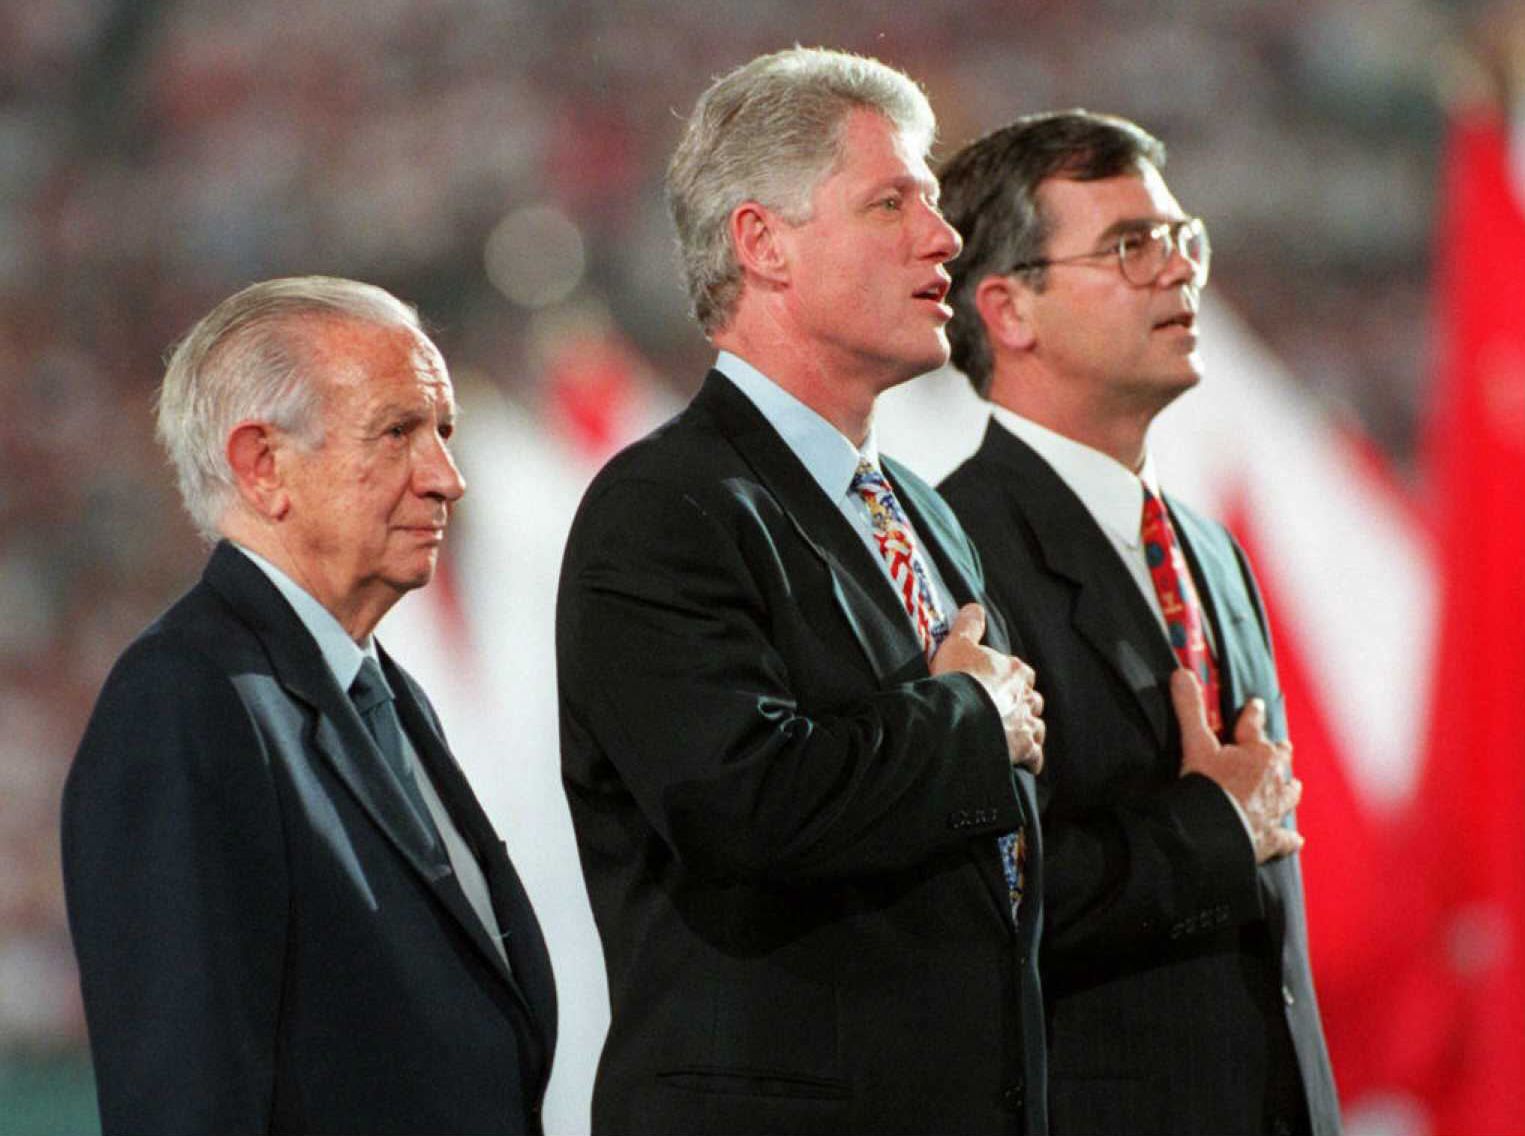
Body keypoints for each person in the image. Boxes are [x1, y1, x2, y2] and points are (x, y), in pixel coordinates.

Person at [557, 48, 1048, 1135]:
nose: (944, 235)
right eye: (891, 201)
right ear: (761, 242)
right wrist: (969, 717)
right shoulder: (663, 509)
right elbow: (742, 802)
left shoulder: (924, 513)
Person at [61, 277, 557, 1135]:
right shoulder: (185, 704)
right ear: (264, 466)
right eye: (398, 432)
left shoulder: (381, 693)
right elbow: (184, 1100)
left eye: (442, 432)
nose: (447, 478)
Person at [936, 111, 1340, 1135]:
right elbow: (978, 899)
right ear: (1007, 309)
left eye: (1179, 237)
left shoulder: (1210, 548)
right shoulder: (954, 553)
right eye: (1128, 246)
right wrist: (1208, 828)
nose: (1177, 271)